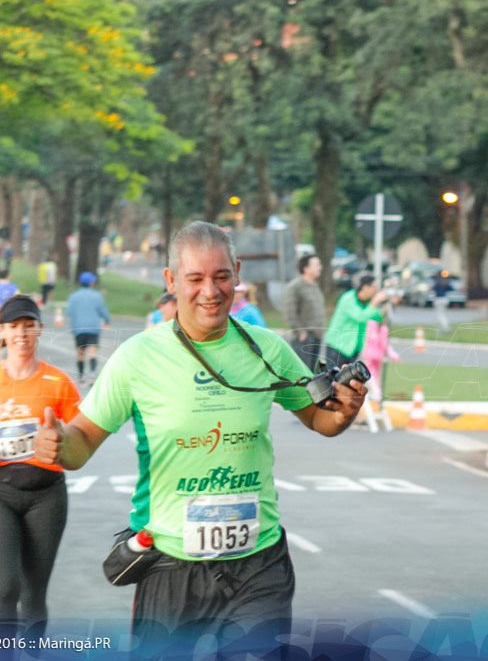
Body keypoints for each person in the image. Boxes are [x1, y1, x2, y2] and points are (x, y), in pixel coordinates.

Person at [33, 221, 367, 647]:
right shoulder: (138, 357)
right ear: (171, 280)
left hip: (258, 562)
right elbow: (80, 443)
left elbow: (320, 418)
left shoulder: (267, 348)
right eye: (195, 279)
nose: (210, 291)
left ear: (237, 273)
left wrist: (343, 414)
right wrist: (60, 444)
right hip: (171, 565)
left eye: (221, 276)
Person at [0, 294, 81, 639]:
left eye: (28, 326)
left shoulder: (58, 382)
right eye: (13, 327)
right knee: (6, 586)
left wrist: (59, 436)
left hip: (46, 496)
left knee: (34, 595)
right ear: (1, 333)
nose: (21, 334)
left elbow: (82, 434)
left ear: (39, 330)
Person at [324, 274, 388, 369]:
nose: (377, 291)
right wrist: (375, 302)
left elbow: (378, 318)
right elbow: (360, 316)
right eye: (374, 288)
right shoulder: (349, 299)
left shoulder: (366, 302)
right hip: (337, 347)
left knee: (346, 381)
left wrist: (388, 306)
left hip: (352, 349)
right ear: (366, 288)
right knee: (332, 380)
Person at [65, 271, 110, 385]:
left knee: (80, 353)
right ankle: (92, 375)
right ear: (92, 283)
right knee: (92, 352)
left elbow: (69, 312)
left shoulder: (73, 296)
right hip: (93, 328)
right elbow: (102, 310)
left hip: (79, 328)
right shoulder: (97, 296)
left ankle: (80, 377)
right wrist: (107, 320)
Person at [282, 254, 326, 369]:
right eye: (316, 265)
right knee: (302, 374)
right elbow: (290, 313)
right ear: (306, 268)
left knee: (311, 374)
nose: (320, 267)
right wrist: (301, 333)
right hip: (304, 339)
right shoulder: (295, 287)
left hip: (317, 337)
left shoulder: (314, 286)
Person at [431, 270, 452, 334]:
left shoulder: (437, 281)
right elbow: (451, 288)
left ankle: (446, 328)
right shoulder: (446, 281)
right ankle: (438, 331)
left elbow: (433, 288)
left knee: (440, 315)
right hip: (445, 299)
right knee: (441, 314)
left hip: (438, 299)